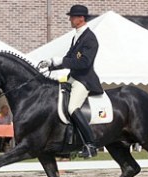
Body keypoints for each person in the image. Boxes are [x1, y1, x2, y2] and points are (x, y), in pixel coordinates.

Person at [40, 4, 103, 158]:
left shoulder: (90, 39)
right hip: (73, 77)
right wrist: (51, 65)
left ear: (81, 18)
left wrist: (60, 60)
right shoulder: (77, 36)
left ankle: (90, 145)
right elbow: (69, 59)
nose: (70, 19)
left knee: (72, 107)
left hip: (84, 80)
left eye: (73, 17)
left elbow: (84, 63)